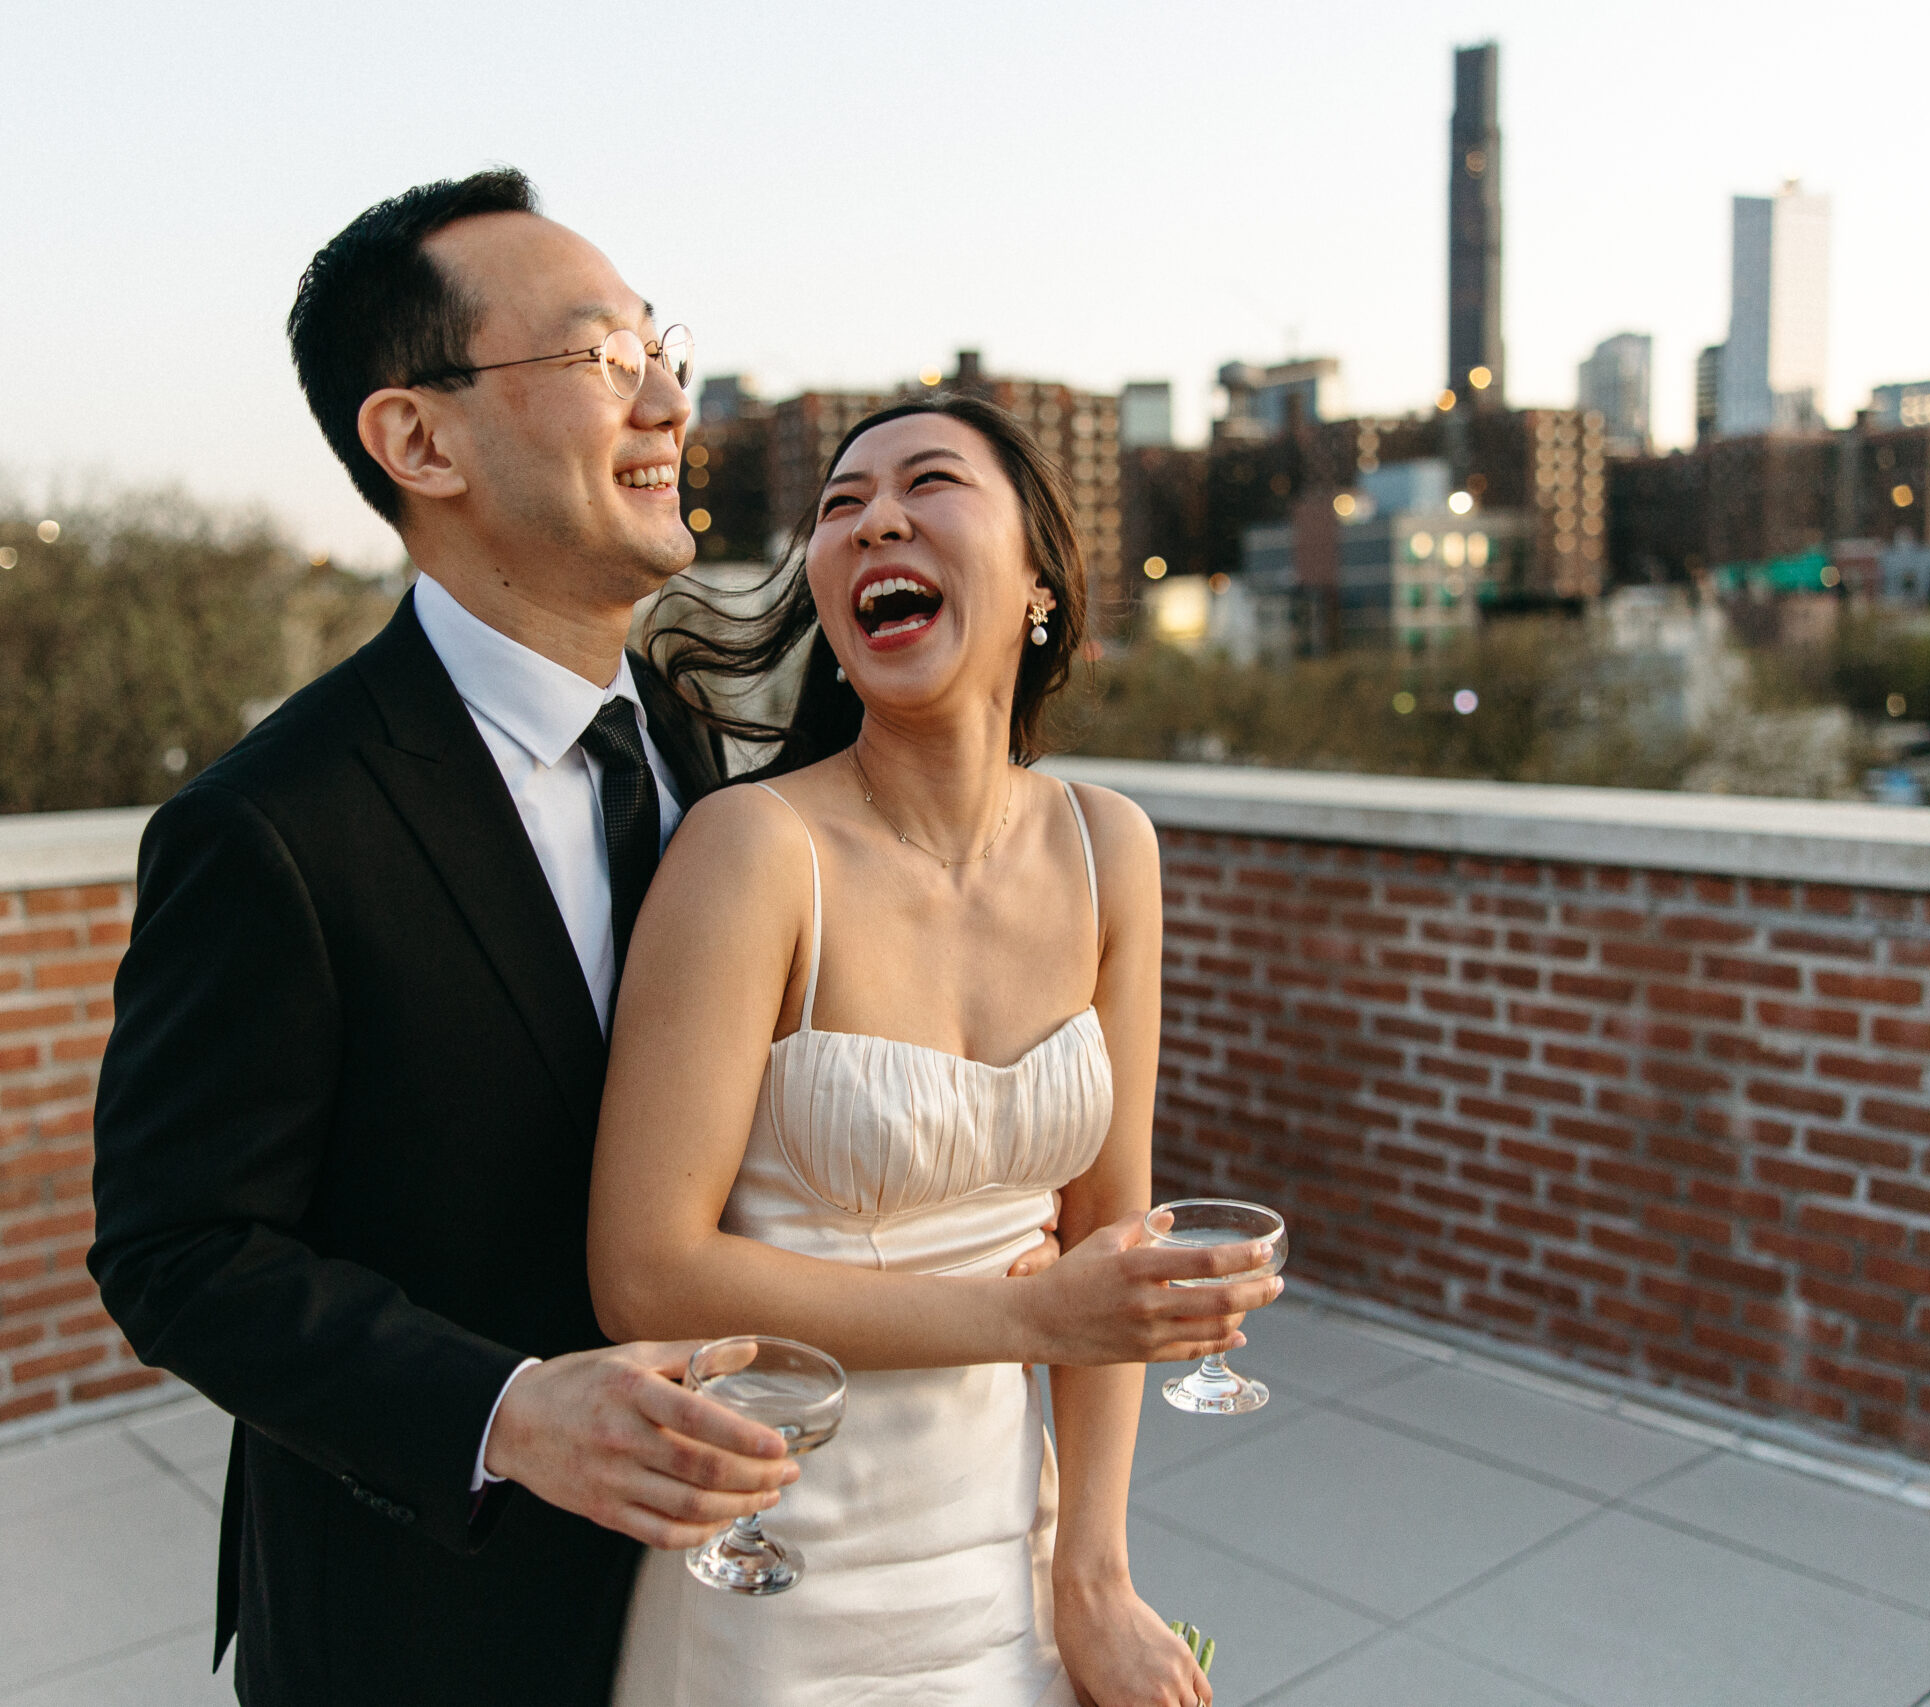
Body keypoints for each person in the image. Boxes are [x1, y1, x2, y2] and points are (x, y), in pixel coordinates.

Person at [86, 172, 1263, 1707]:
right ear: (419, 440)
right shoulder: (274, 828)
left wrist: (1084, 1557)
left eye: (666, 354)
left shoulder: (709, 763)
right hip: (440, 1616)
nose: (668, 406)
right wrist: (508, 1409)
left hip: (793, 1552)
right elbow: (177, 1254)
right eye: (600, 360)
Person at [591, 393, 1283, 1707]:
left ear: (1038, 580)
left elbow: (1110, 1233)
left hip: (1004, 1562)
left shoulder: (1109, 851)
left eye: (928, 485)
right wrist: (1027, 1314)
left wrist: (1093, 1573)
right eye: (840, 508)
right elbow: (644, 1272)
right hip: (777, 1564)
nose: (876, 521)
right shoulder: (753, 853)